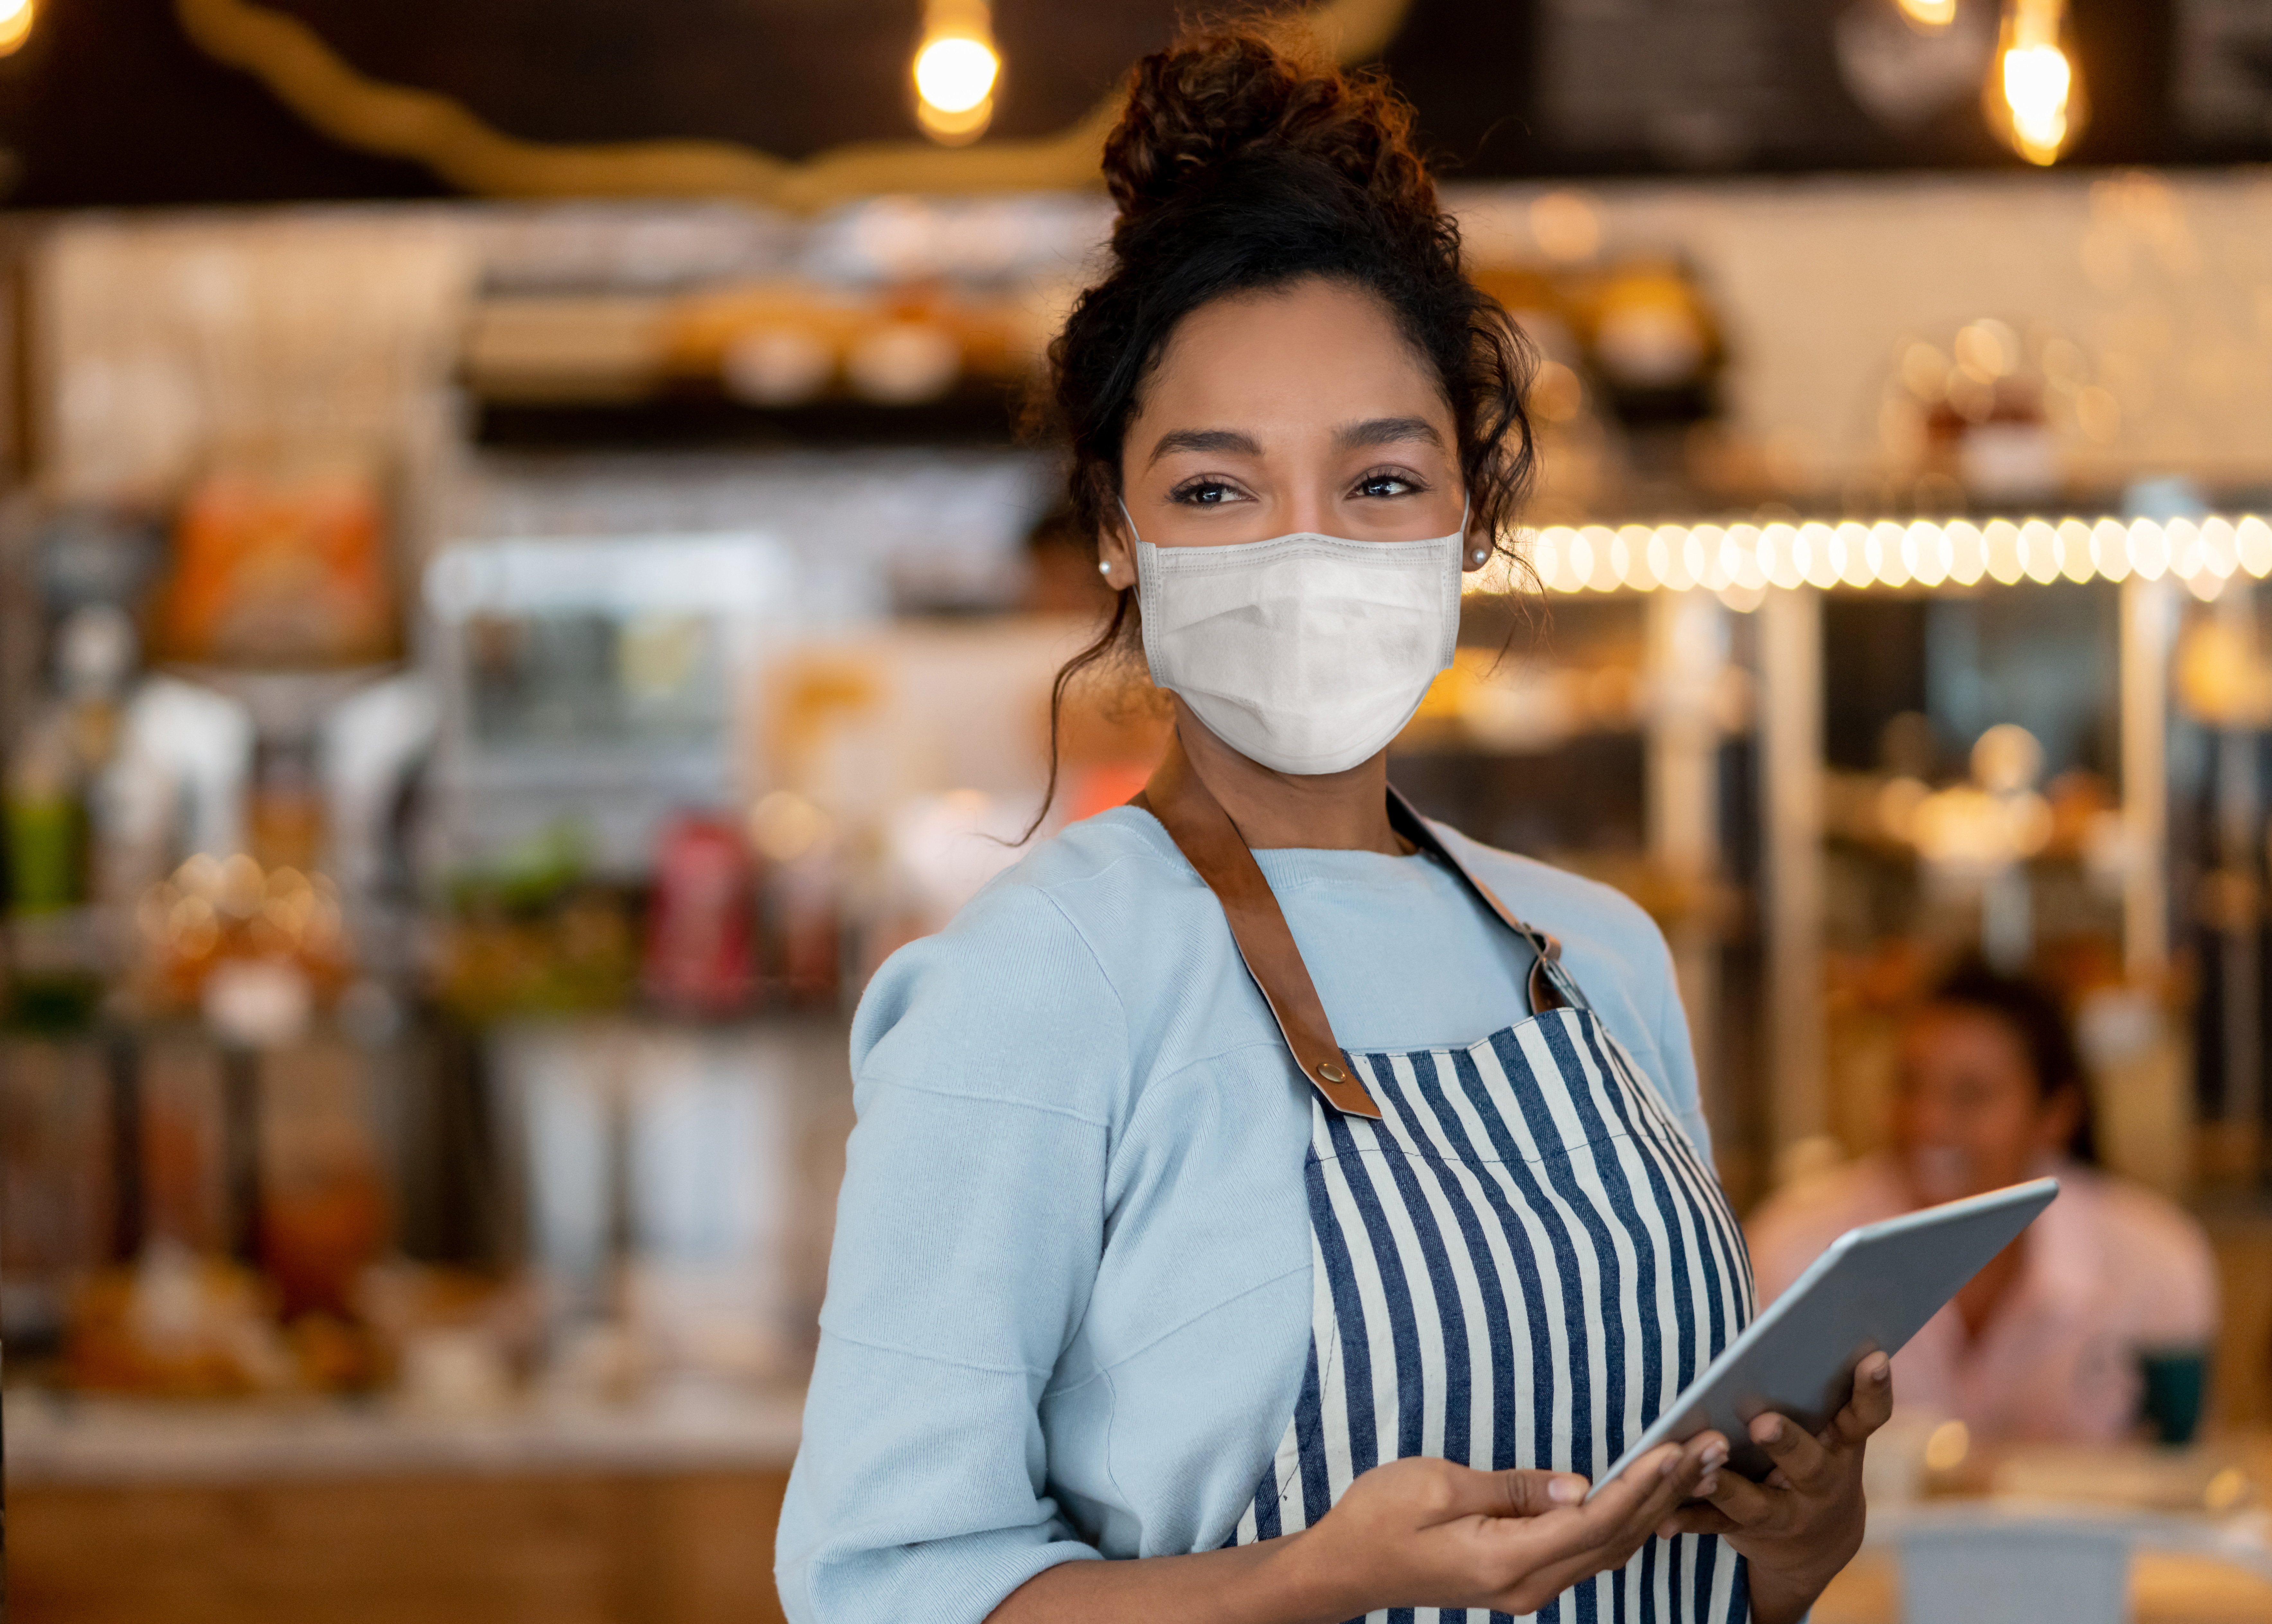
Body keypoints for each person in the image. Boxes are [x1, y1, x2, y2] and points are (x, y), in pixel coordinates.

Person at [777, 28, 1887, 1624]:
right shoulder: (1037, 981)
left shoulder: (1605, 964)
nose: (1304, 551)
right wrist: (1300, 1585)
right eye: (1219, 492)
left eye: (1377, 482)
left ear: (1470, 514)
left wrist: (1784, 1555)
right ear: (1115, 527)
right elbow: (880, 1592)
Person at [1748, 959, 2219, 1445]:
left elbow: (2179, 1467)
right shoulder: (1795, 1248)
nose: (1927, 1122)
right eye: (1909, 1085)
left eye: (1971, 1094)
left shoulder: (2154, 1256)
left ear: (2056, 1114)